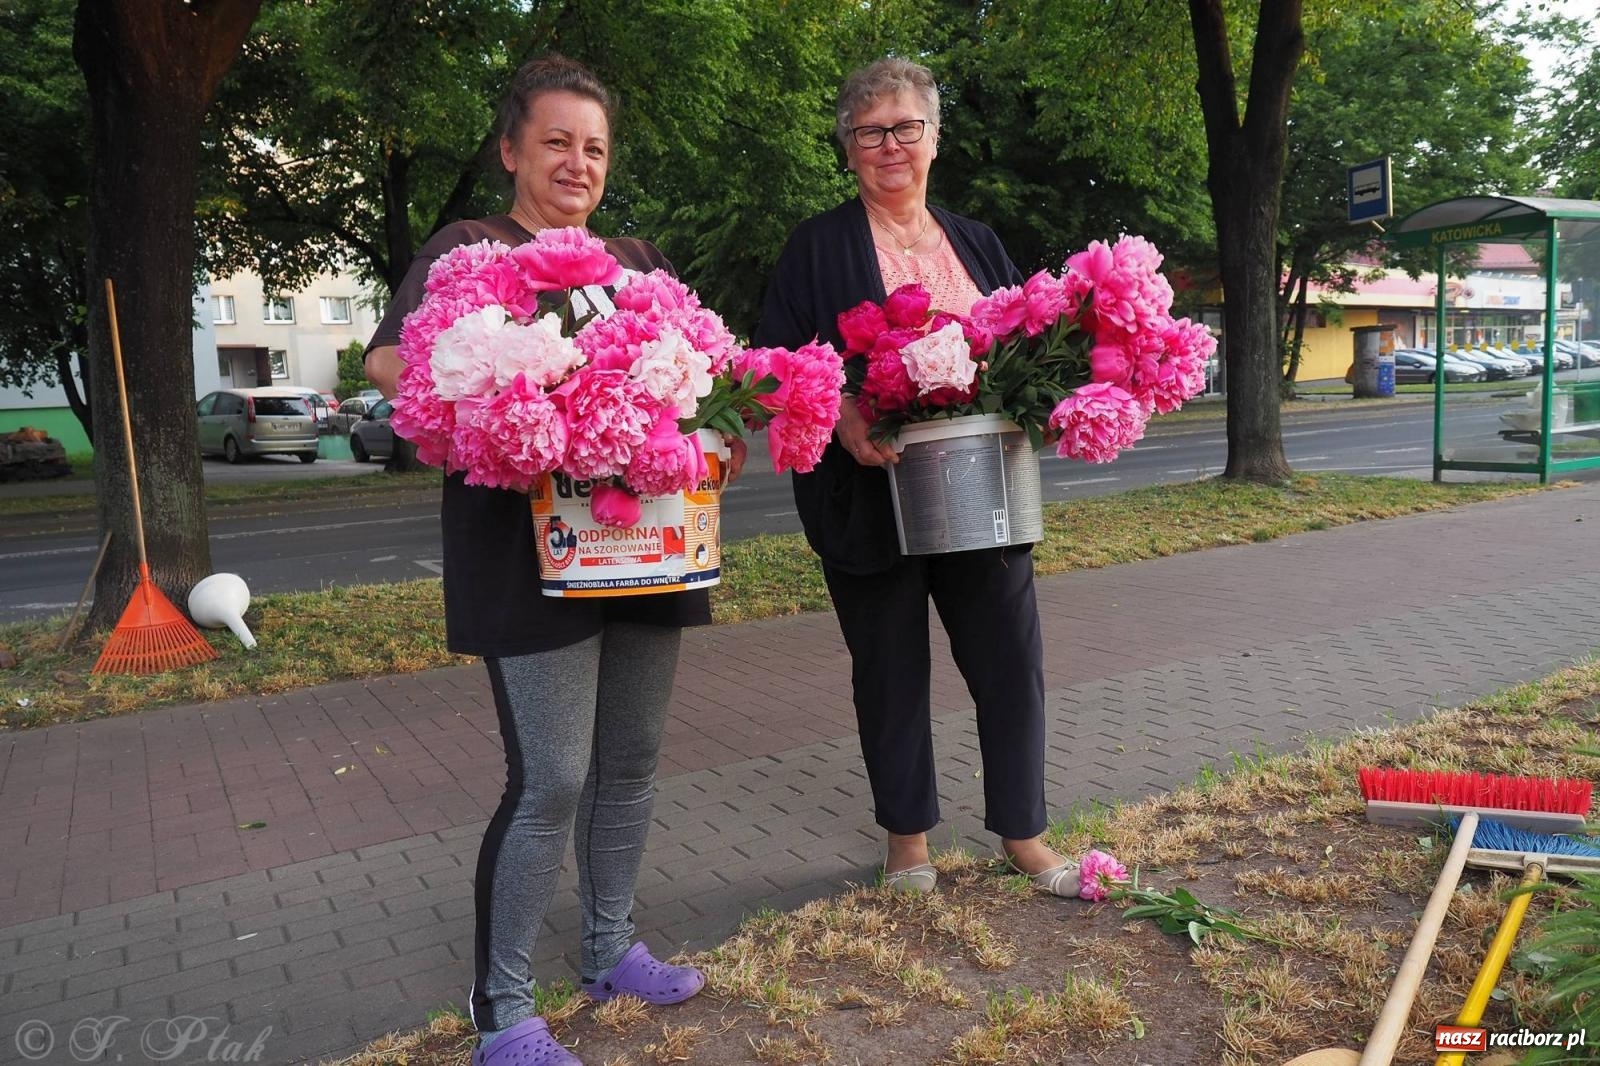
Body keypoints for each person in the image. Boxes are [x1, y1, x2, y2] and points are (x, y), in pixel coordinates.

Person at [365, 55, 736, 1066]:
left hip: (650, 538)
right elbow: (393, 361)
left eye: (595, 146)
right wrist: (521, 387)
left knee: (632, 763)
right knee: (552, 778)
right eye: (557, 142)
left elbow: (702, 376)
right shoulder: (471, 247)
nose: (578, 162)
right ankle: (503, 1009)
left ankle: (610, 948)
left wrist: (718, 427)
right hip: (525, 553)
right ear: (511, 151)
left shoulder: (637, 257)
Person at [753, 58, 1076, 898]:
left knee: (1010, 662)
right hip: (868, 495)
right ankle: (908, 841)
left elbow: (1026, 343)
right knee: (889, 671)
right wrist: (844, 418)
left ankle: (1025, 833)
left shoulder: (977, 241)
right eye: (869, 131)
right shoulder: (815, 247)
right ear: (847, 147)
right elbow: (775, 361)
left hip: (984, 493)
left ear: (934, 138)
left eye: (906, 127)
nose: (890, 145)